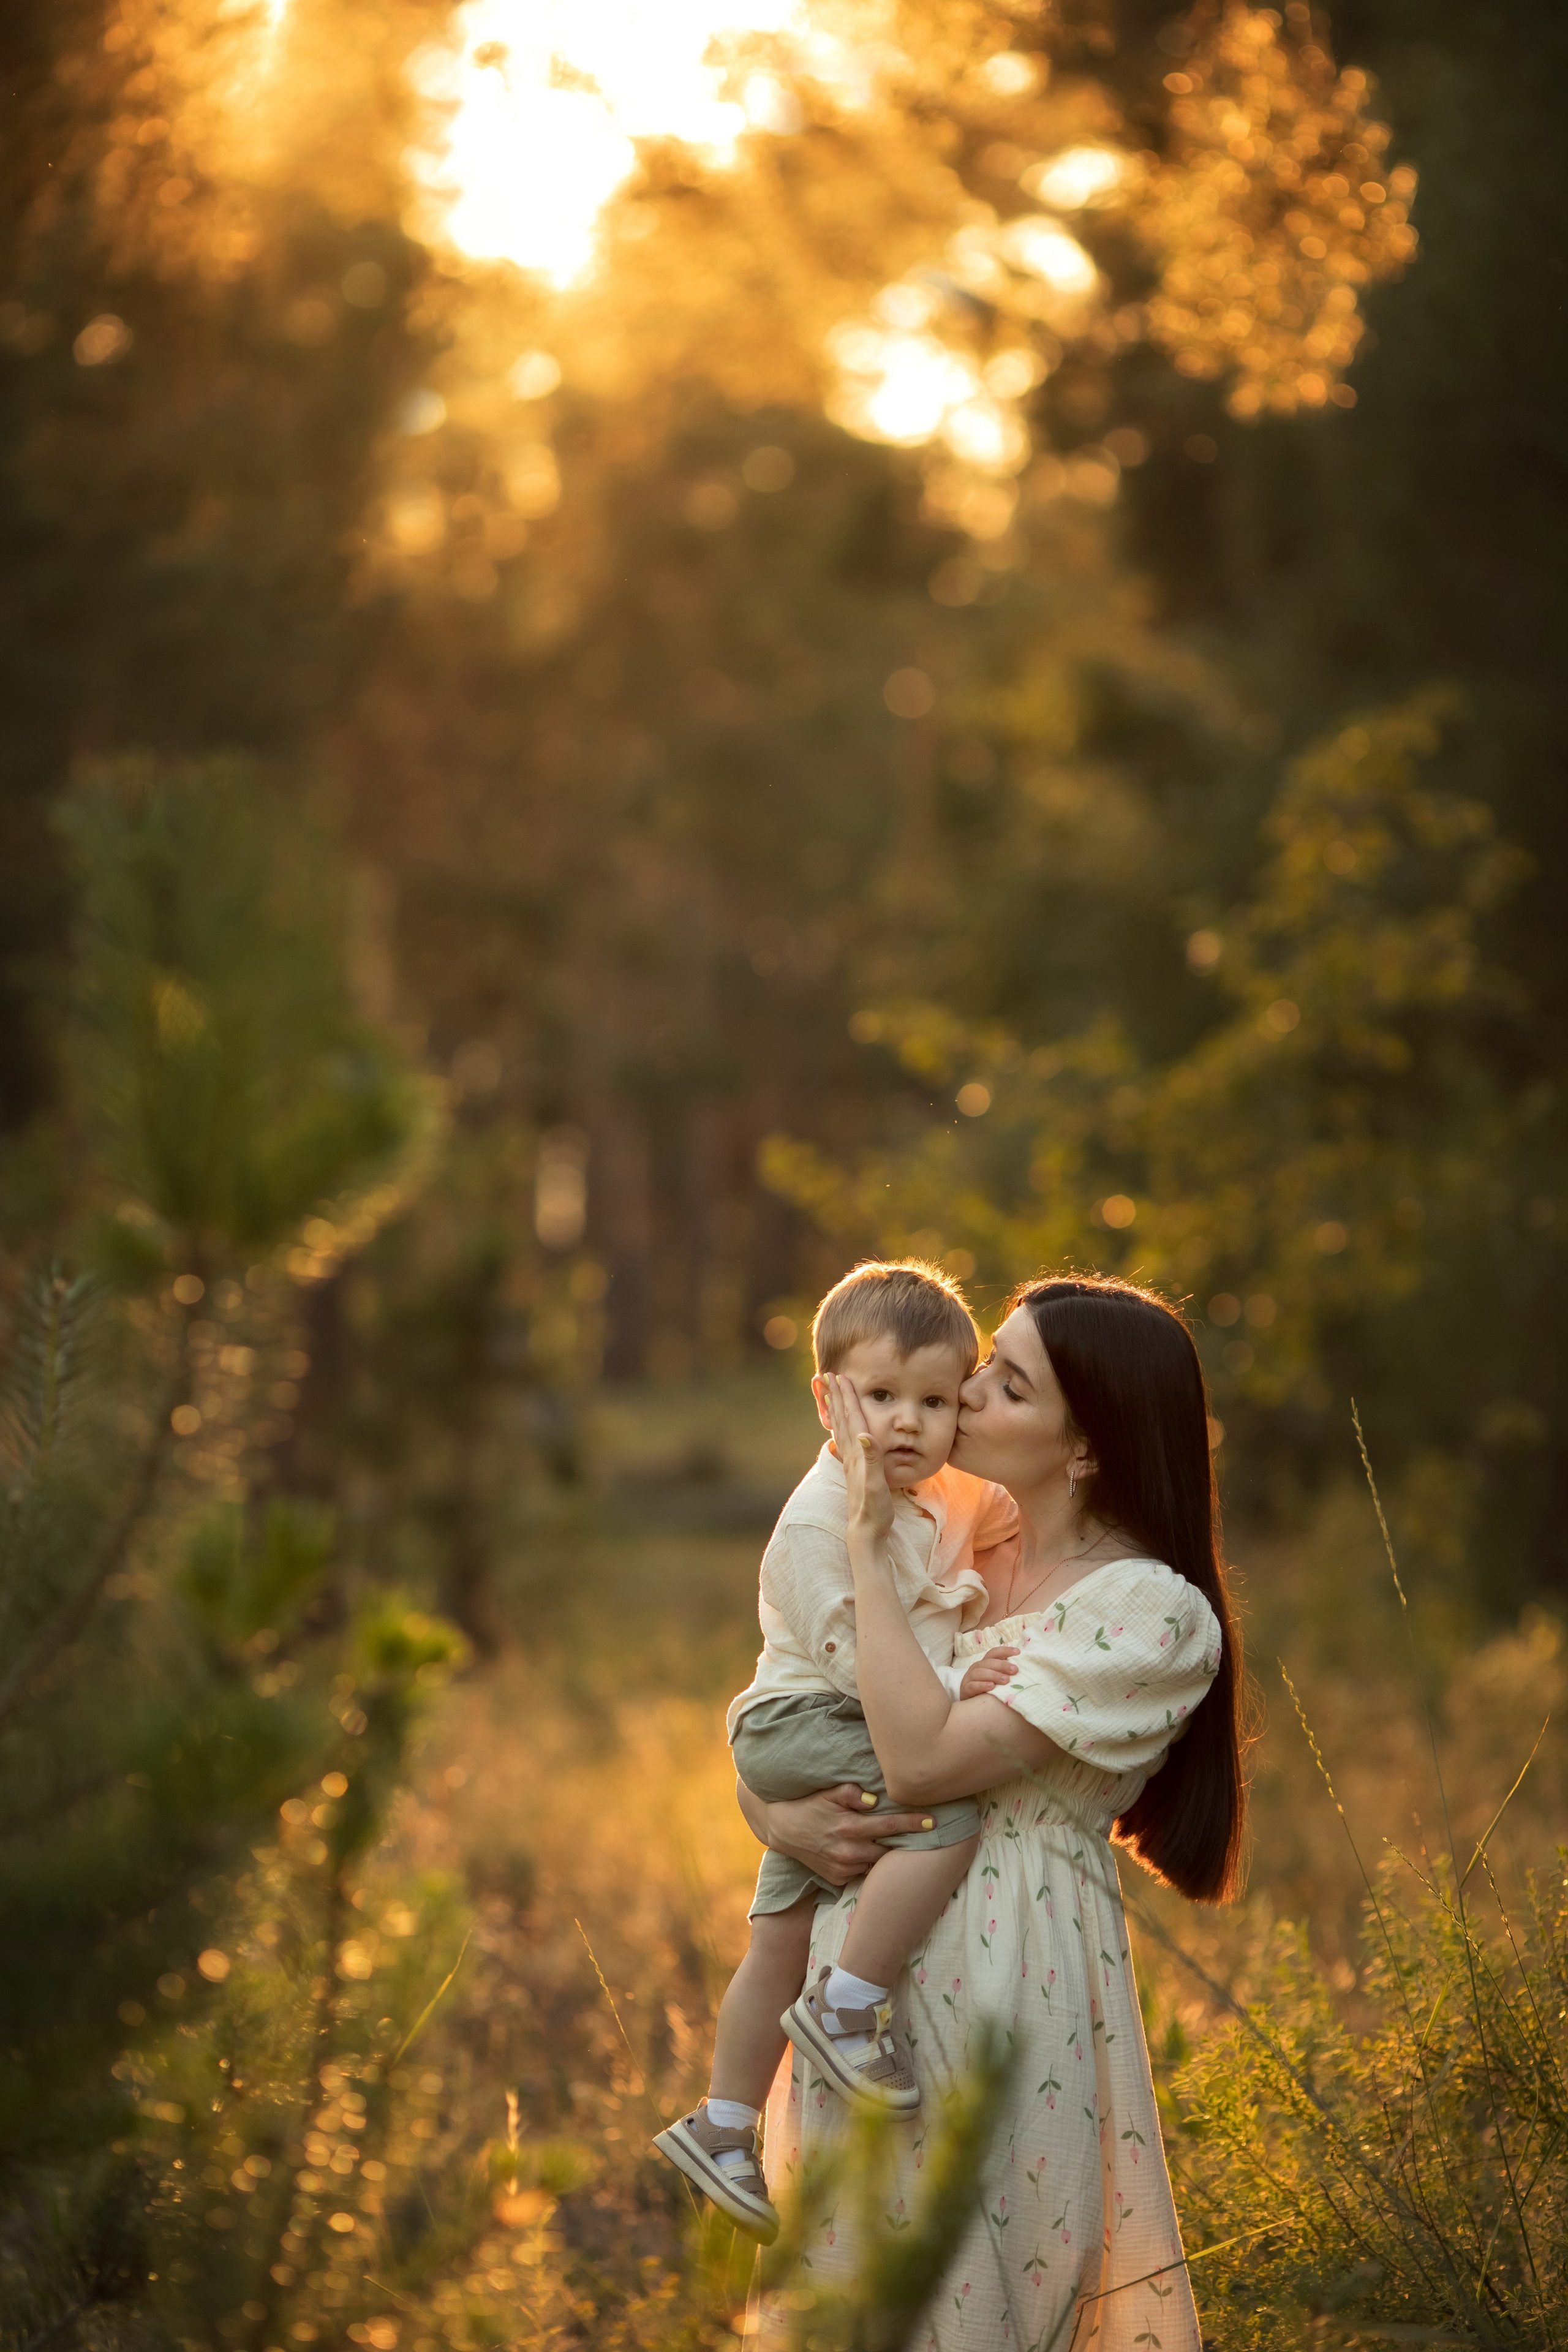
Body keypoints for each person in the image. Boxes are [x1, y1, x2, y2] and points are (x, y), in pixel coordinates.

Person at [740, 1273, 1247, 2352]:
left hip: (1012, 1986)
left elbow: (920, 1767)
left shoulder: (1149, 1613)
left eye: (1005, 1386)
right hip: (857, 1998)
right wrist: (771, 1814)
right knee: (855, 2301)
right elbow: (796, 1705)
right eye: (982, 1367)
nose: (958, 1398)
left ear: (1086, 1448)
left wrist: (871, 1544)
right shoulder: (956, 1534)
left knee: (988, 2301)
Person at [653, 1261, 1023, 2242]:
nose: (908, 1423)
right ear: (828, 1399)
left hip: (821, 1730)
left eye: (935, 1401)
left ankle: (724, 2124)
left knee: (775, 1934)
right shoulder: (819, 1525)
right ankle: (849, 2009)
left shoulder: (940, 1491)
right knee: (947, 1815)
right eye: (882, 1397)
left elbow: (1001, 1512)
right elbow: (863, 1667)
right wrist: (952, 1692)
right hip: (804, 1720)